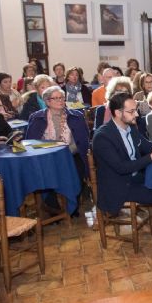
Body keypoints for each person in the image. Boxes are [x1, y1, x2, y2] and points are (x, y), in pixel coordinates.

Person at [92, 92, 152, 252]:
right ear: (118, 113)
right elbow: (121, 167)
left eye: (136, 110)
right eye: (131, 111)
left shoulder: (130, 129)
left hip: (134, 178)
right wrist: (151, 157)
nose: (136, 114)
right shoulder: (103, 137)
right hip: (118, 186)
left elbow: (147, 145)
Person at [25, 86, 89, 214]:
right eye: (56, 98)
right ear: (47, 101)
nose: (61, 101)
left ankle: (73, 206)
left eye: (62, 98)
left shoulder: (76, 116)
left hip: (71, 155)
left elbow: (84, 140)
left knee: (76, 171)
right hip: (46, 157)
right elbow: (29, 142)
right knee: (46, 175)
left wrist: (68, 151)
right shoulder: (36, 117)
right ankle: (53, 208)